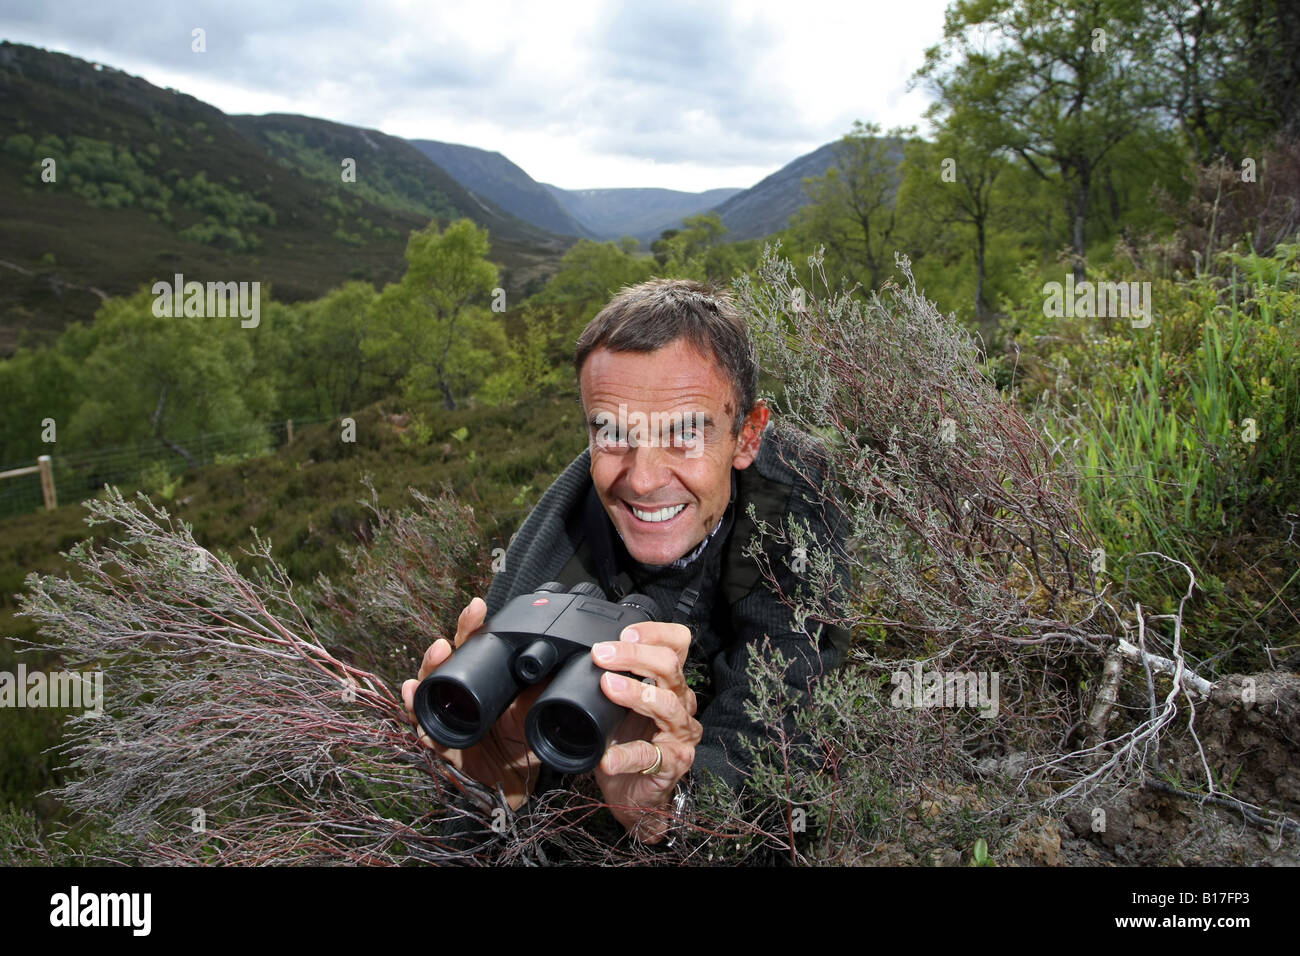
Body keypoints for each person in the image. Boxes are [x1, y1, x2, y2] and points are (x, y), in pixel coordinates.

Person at [402, 278, 849, 844]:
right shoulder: (552, 553)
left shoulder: (790, 498)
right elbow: (484, 786)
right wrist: (491, 795)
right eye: (611, 434)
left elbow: (783, 738)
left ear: (747, 436)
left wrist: (673, 808)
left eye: (685, 434)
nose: (641, 479)